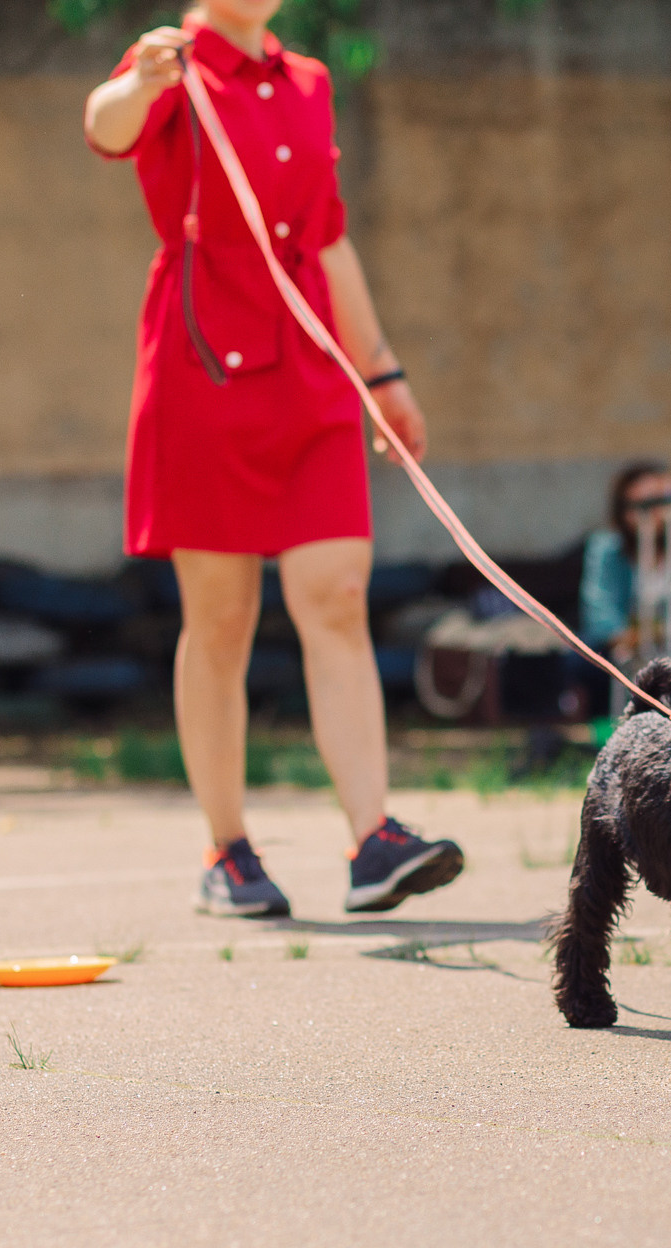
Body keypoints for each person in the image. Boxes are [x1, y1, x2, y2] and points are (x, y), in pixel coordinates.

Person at [84, 0, 462, 918]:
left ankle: (373, 839)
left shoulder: (309, 82)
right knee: (221, 617)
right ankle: (228, 850)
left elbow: (326, 238)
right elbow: (106, 124)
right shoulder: (171, 63)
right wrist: (140, 84)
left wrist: (384, 373)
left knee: (338, 592)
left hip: (310, 373)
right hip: (203, 369)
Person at [563, 463, 671, 716]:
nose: (648, 514)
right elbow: (600, 611)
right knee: (582, 655)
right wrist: (630, 635)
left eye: (656, 503)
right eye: (637, 506)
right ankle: (607, 720)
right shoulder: (607, 549)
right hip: (625, 637)